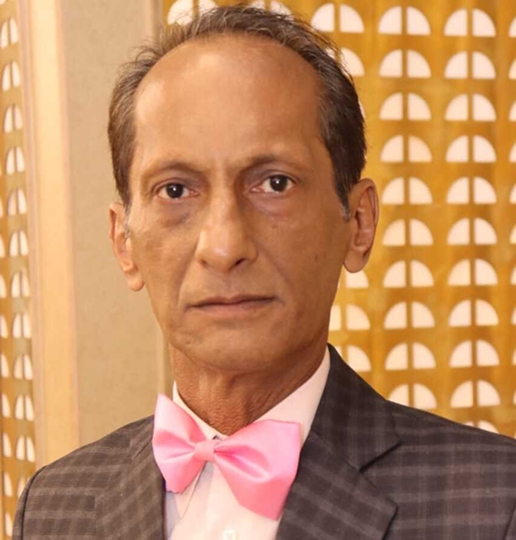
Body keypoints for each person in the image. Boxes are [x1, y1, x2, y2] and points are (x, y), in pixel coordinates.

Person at [14, 5, 516, 539]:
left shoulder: (494, 502)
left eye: (275, 183)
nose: (224, 246)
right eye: (175, 190)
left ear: (358, 223)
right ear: (124, 243)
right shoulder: (52, 507)